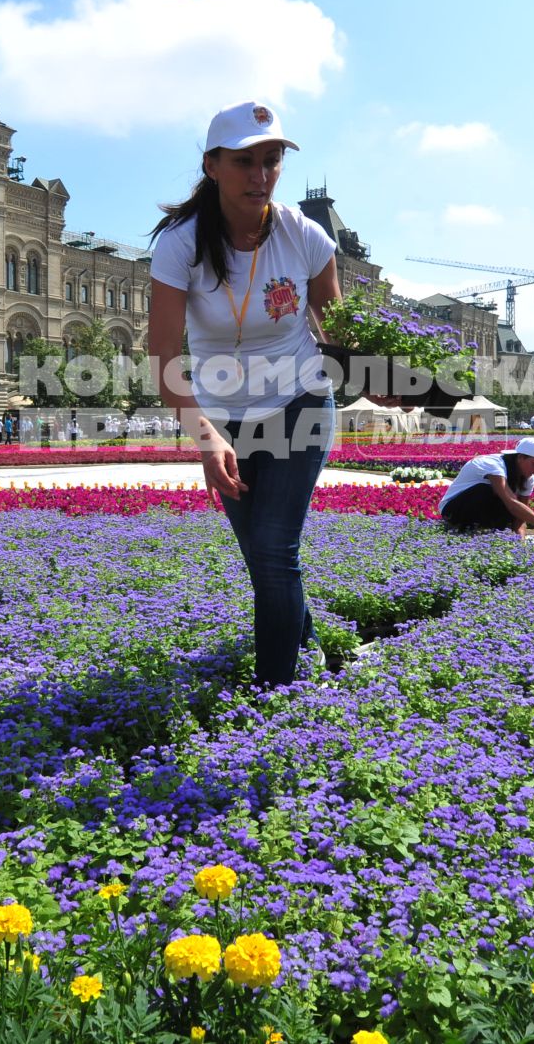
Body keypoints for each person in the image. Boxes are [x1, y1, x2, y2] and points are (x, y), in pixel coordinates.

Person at [148, 100, 339, 688]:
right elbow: (163, 358)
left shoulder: (303, 234)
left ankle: (275, 697)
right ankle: (316, 652)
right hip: (222, 413)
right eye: (245, 161)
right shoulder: (181, 243)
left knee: (275, 550)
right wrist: (205, 438)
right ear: (212, 166)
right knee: (261, 555)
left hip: (298, 399)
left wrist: (379, 376)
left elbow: (336, 328)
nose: (260, 175)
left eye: (272, 160)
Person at [439, 437, 534, 533]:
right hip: (453, 510)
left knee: (516, 508)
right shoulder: (493, 464)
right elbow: (512, 503)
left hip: (480, 511)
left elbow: (520, 518)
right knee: (486, 490)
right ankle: (465, 530)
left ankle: (489, 534)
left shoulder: (528, 478)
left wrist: (521, 544)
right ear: (520, 457)